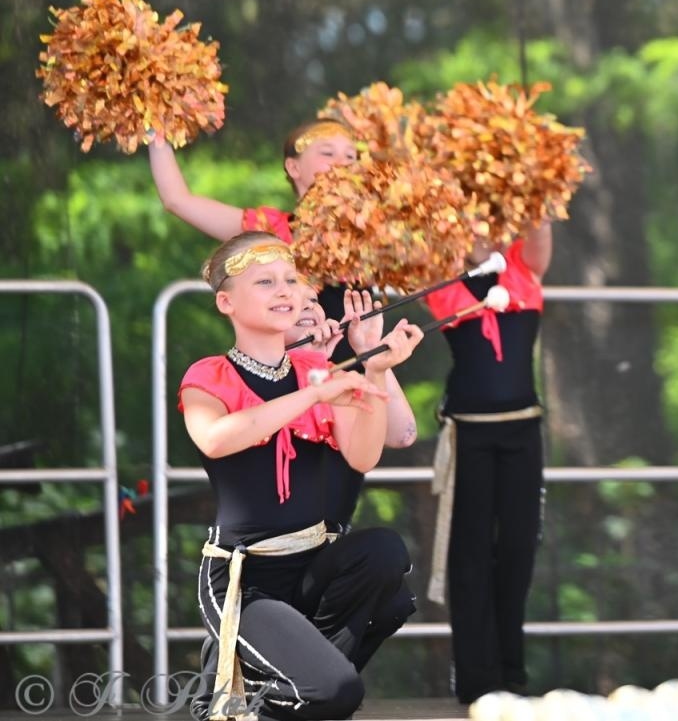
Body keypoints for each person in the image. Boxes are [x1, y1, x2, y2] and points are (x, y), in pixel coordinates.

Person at [151, 120, 420, 647]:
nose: (343, 162)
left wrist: (371, 363)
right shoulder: (272, 234)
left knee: (348, 519)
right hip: (296, 378)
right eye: (327, 152)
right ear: (293, 169)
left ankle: (301, 662)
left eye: (352, 153)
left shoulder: (369, 237)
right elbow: (179, 200)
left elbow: (396, 433)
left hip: (342, 376)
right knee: (288, 517)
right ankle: (270, 652)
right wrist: (157, 122)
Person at [179, 233, 424, 719]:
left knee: (384, 554)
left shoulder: (316, 367)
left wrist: (375, 372)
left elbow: (362, 456)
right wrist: (312, 396)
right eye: (266, 281)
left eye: (291, 280)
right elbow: (216, 438)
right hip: (245, 578)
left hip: (311, 564)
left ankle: (267, 690)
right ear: (225, 301)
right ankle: (251, 695)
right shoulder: (209, 375)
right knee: (336, 692)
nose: (286, 291)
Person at [424, 227, 553, 704]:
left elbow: (539, 227)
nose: (485, 222)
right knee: (471, 551)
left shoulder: (523, 263)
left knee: (519, 546)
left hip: (522, 428)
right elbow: (405, 248)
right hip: (470, 430)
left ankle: (511, 671)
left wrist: (535, 178)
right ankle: (478, 679)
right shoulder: (442, 272)